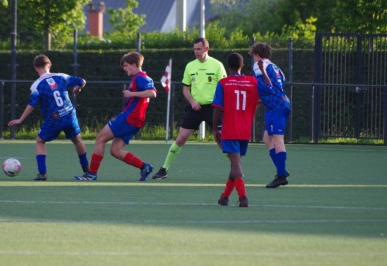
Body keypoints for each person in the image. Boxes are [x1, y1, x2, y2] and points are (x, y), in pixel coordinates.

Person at [74, 52, 156, 181]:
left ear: (134, 64)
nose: (124, 68)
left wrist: (131, 93)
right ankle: (144, 166)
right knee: (115, 150)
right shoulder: (140, 77)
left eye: (126, 65)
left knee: (100, 139)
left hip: (130, 118)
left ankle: (91, 174)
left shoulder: (140, 77)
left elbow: (152, 93)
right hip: (136, 120)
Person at [152, 37, 227, 179]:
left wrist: (220, 105)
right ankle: (164, 170)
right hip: (195, 108)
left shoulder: (217, 65)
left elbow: (224, 88)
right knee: (180, 139)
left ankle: (236, 170)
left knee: (221, 140)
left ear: (206, 49)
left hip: (214, 109)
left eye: (199, 49)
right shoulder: (190, 66)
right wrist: (192, 101)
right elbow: (185, 89)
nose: (196, 52)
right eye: (194, 49)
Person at [8, 54, 89, 181]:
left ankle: (42, 173)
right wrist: (77, 89)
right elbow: (82, 81)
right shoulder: (61, 76)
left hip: (54, 119)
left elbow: (32, 104)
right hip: (69, 114)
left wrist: (20, 119)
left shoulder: (36, 85)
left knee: (40, 141)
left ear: (36, 68)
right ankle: (87, 171)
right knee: (77, 140)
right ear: (49, 66)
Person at [212, 53, 258, 207]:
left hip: (230, 128)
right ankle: (224, 196)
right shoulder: (252, 82)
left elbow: (217, 109)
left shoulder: (224, 83)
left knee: (236, 165)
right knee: (235, 163)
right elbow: (259, 101)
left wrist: (214, 128)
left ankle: (243, 197)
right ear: (242, 65)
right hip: (245, 129)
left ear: (227, 66)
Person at [249, 42, 291, 188]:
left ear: (256, 55)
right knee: (267, 138)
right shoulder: (276, 67)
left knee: (277, 139)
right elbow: (277, 87)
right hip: (280, 104)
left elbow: (268, 86)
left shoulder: (259, 65)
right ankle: (282, 170)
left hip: (276, 106)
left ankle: (280, 176)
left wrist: (257, 98)